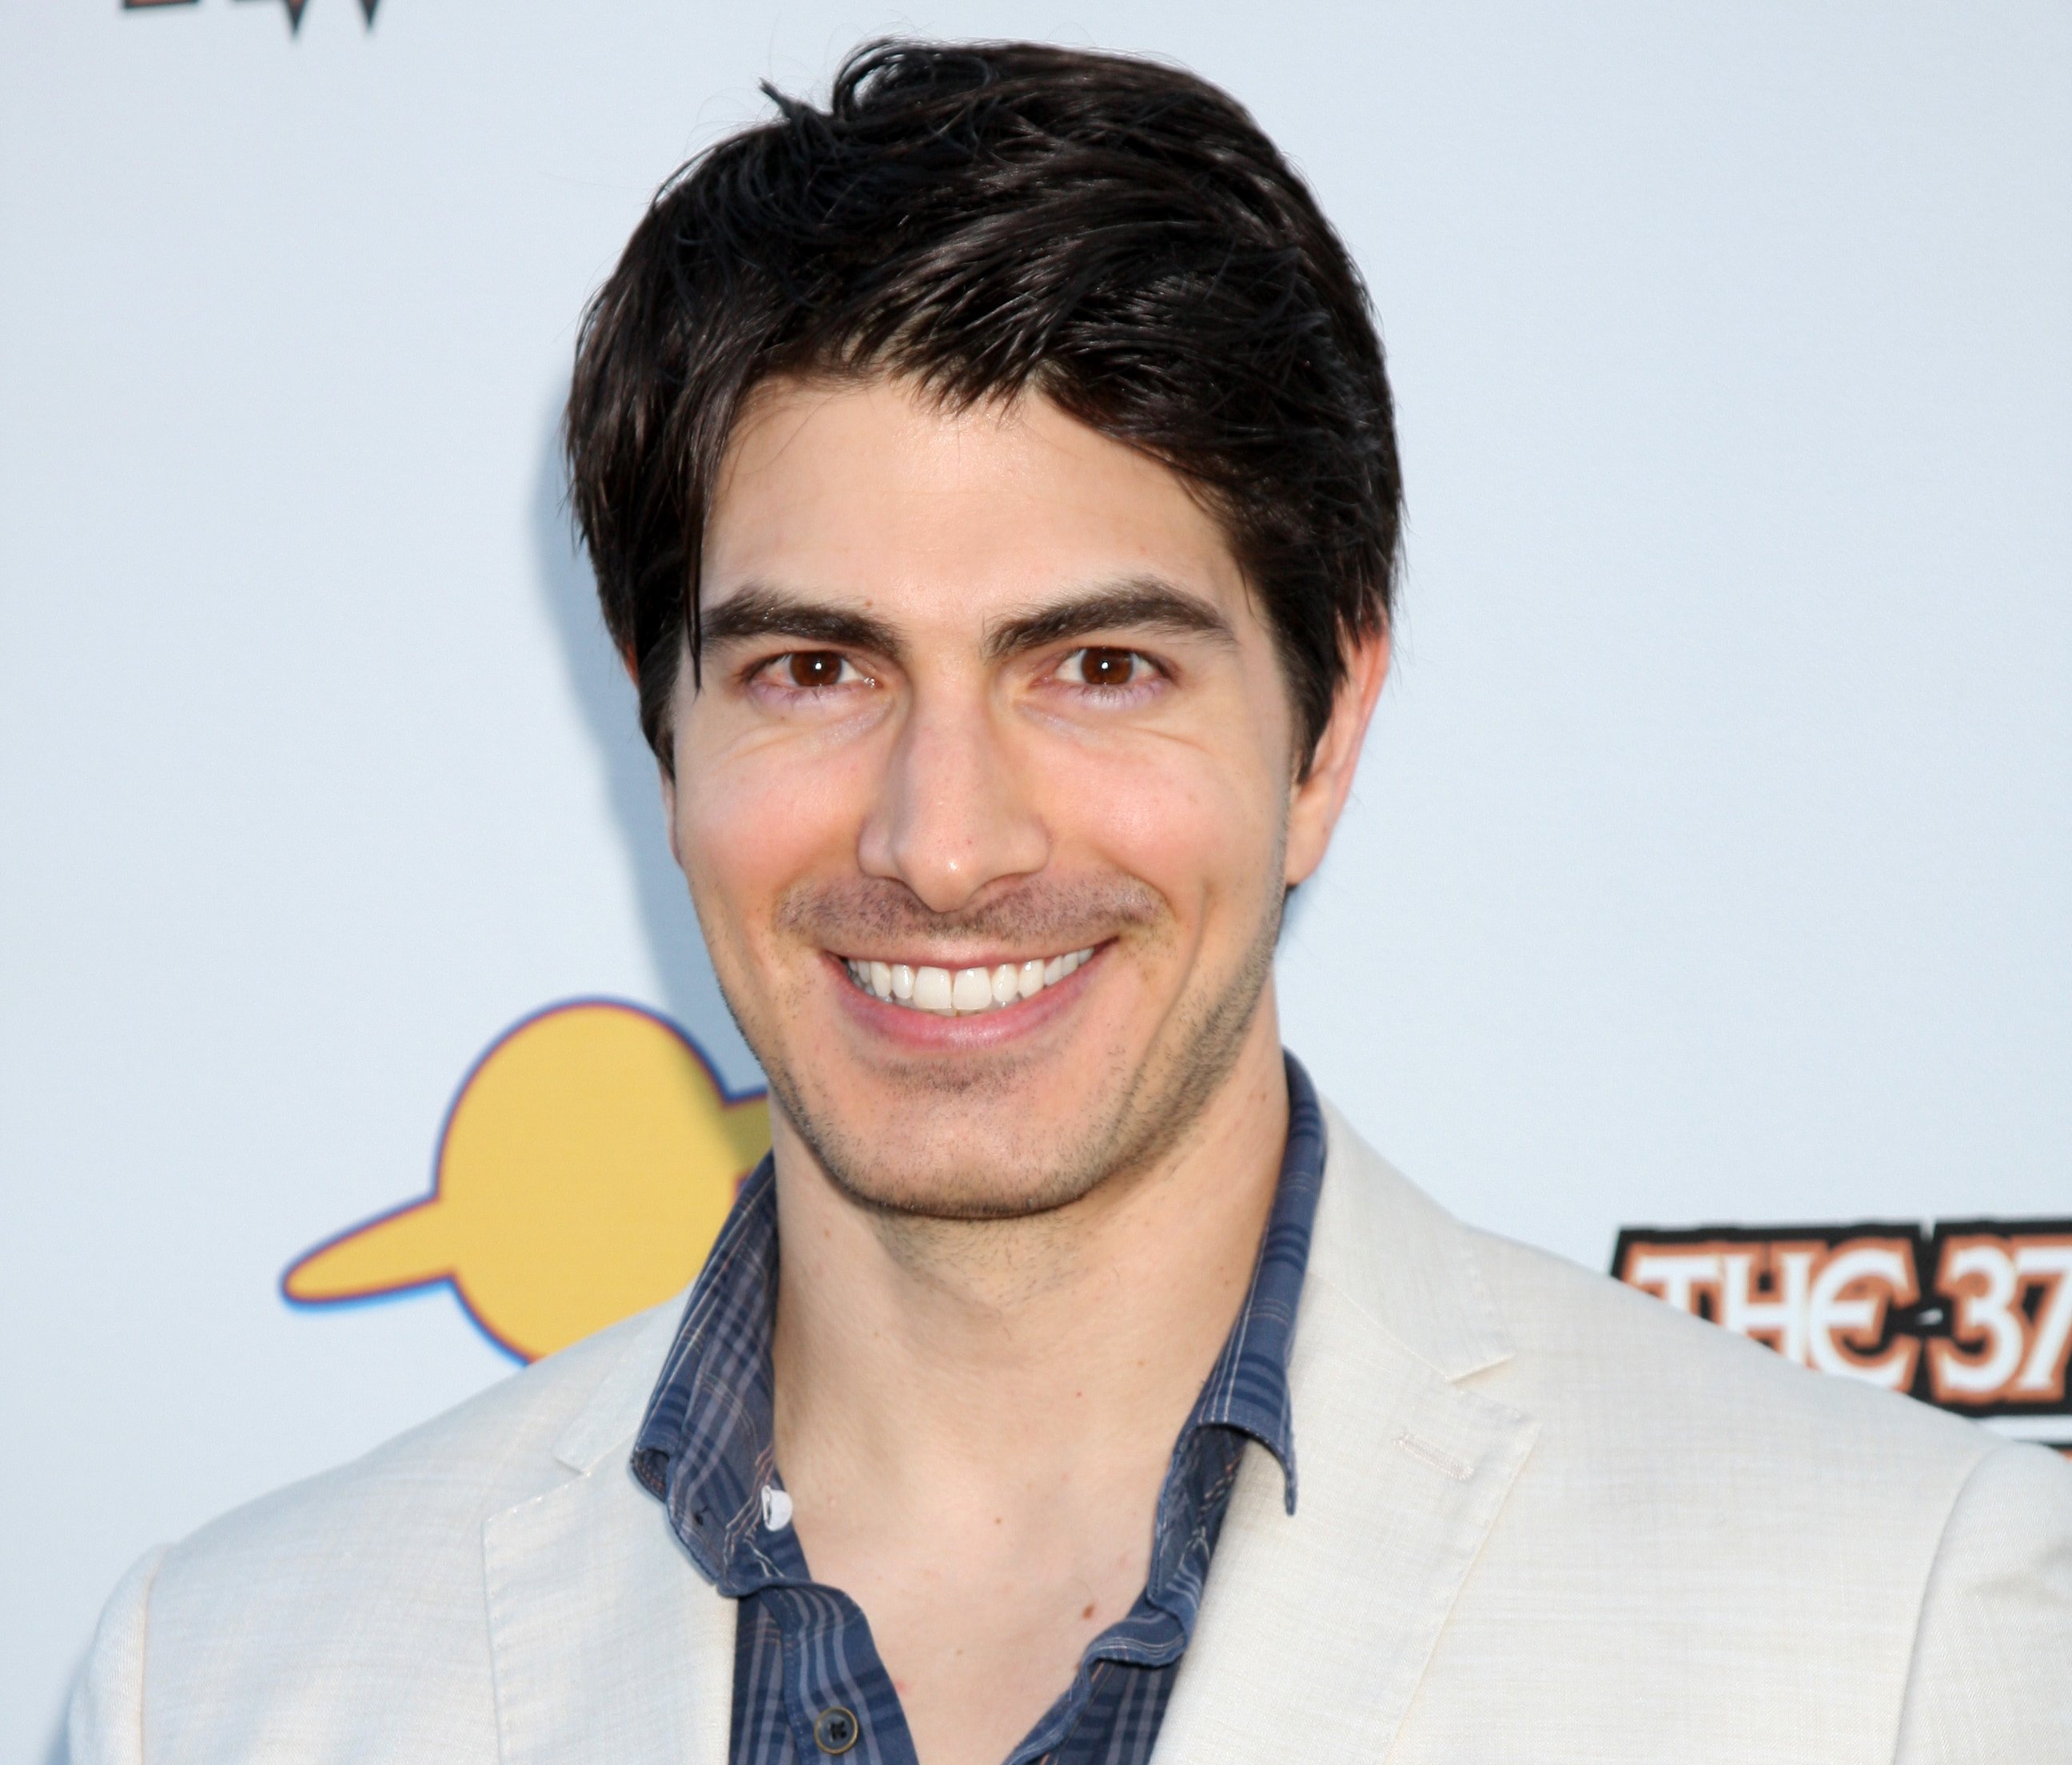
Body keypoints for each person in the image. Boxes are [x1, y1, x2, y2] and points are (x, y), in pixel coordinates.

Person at [69, 38, 2071, 1765]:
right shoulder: (234, 1684)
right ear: (661, 732)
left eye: (1097, 669)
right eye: (814, 670)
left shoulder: (1886, 1638)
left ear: (1326, 732)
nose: (946, 845)